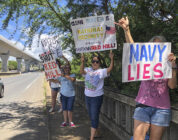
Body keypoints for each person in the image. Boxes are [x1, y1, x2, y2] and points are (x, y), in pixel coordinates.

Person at [115, 17, 177, 140]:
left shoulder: (170, 64)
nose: (156, 47)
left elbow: (172, 86)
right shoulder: (144, 61)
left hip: (162, 109)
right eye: (154, 44)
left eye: (160, 45)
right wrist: (127, 30)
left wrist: (174, 66)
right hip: (143, 105)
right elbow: (133, 49)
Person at [80, 51, 114, 140]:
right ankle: (98, 133)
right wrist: (82, 62)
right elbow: (81, 71)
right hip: (87, 96)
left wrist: (111, 58)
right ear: (91, 63)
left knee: (94, 116)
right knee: (92, 115)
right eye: (93, 61)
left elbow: (110, 68)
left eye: (97, 62)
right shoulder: (87, 69)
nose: (95, 63)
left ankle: (92, 138)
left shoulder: (101, 71)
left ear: (99, 63)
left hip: (97, 97)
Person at [49, 55, 76, 127]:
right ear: (64, 70)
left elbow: (72, 80)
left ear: (70, 69)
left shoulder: (73, 75)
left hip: (71, 95)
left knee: (70, 109)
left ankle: (71, 122)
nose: (66, 69)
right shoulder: (61, 77)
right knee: (64, 109)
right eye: (65, 68)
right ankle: (65, 122)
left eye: (68, 68)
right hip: (63, 95)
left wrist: (63, 57)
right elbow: (55, 80)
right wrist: (49, 77)